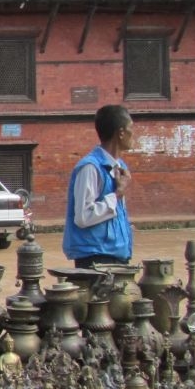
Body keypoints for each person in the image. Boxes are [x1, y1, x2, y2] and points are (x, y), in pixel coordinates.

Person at [63, 104, 134, 269]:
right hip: (96, 259)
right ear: (121, 132)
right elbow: (83, 216)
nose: (133, 134)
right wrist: (117, 194)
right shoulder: (90, 167)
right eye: (131, 128)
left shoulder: (118, 166)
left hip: (116, 256)